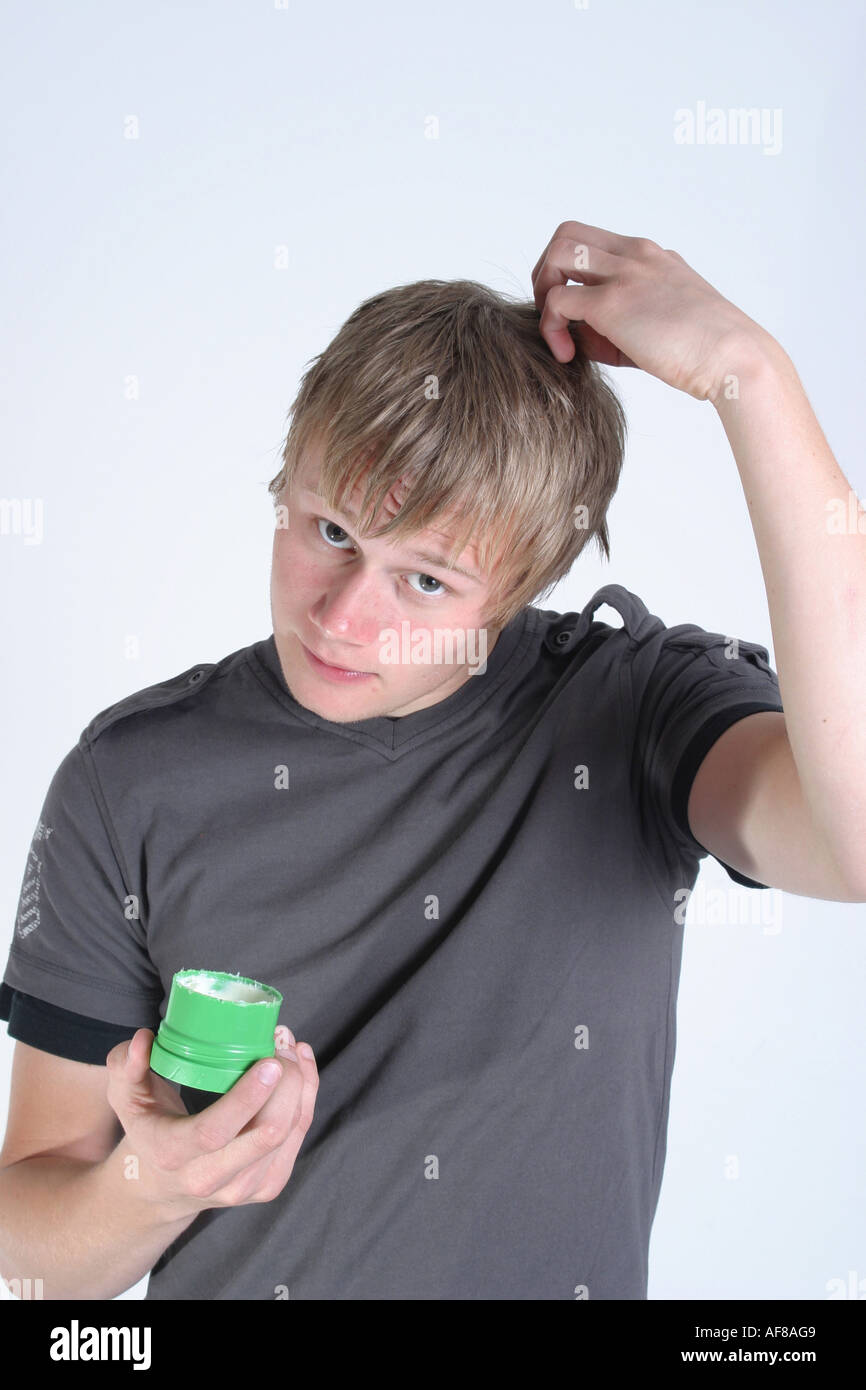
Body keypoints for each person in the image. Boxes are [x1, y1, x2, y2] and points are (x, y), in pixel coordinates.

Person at [1, 220, 863, 1301]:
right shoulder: (128, 777)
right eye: (329, 532)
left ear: (520, 584)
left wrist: (750, 374)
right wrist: (153, 1185)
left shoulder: (631, 710)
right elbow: (35, 1250)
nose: (344, 618)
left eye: (426, 581)